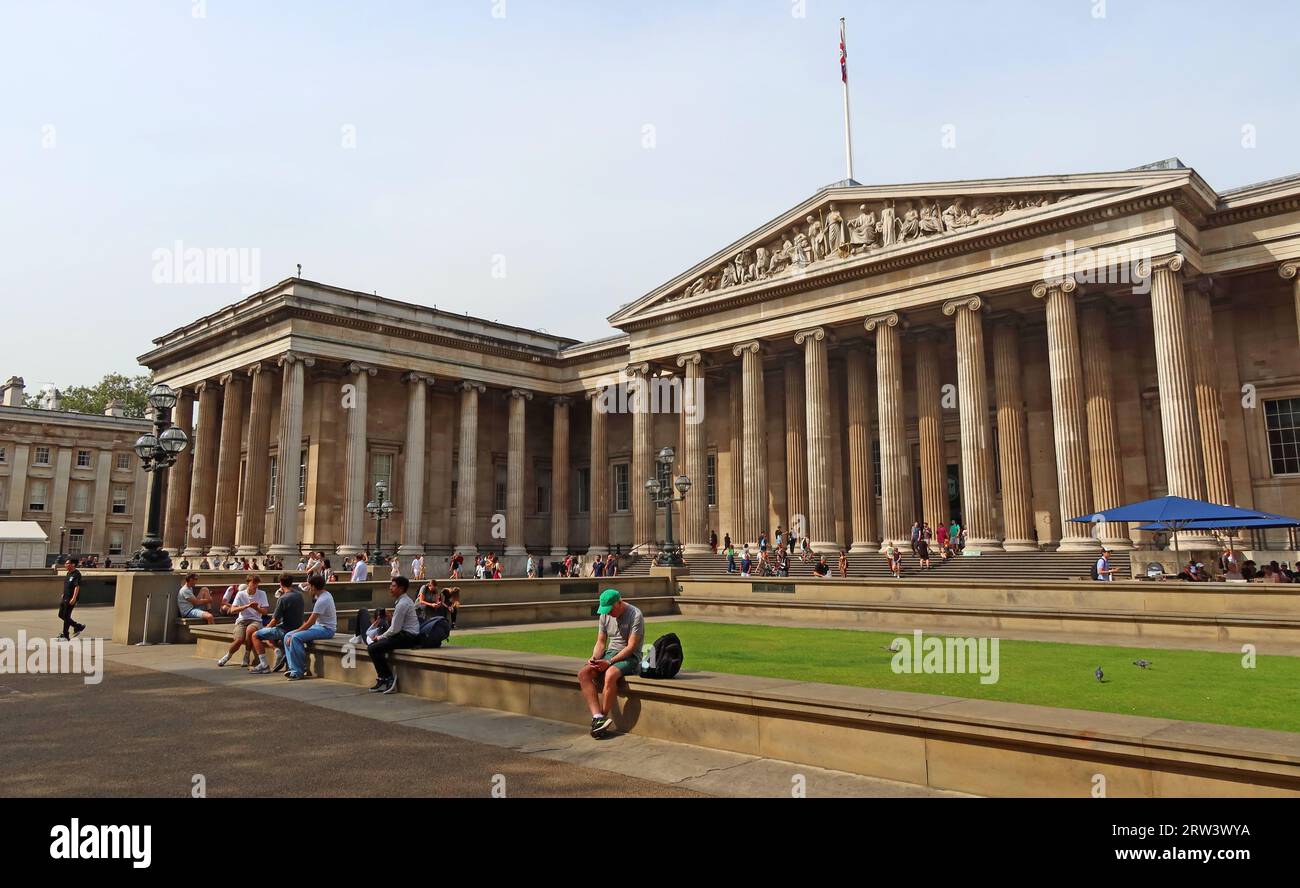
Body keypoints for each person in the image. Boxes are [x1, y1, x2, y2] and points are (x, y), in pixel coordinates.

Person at [577, 589, 644, 738]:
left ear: (619, 602)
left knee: (610, 674)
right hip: (610, 654)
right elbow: (601, 642)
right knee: (584, 673)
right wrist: (594, 658)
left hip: (631, 657)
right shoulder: (604, 614)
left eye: (611, 609)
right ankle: (598, 718)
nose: (608, 613)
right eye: (605, 610)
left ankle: (603, 718)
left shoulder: (635, 615)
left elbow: (631, 647)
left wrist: (609, 662)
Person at [367, 576, 420, 694]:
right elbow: (396, 627)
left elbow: (395, 629)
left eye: (393, 586)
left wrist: (379, 637)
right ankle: (383, 678)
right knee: (374, 647)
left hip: (407, 637)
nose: (390, 588)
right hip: (405, 635)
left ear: (401, 588)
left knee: (373, 647)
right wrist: (390, 618)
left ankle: (388, 679)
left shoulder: (402, 604)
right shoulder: (403, 601)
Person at [283, 574, 337, 681]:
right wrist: (307, 584)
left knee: (295, 637)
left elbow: (310, 622)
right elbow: (306, 586)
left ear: (313, 587)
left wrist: (295, 632)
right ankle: (293, 667)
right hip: (319, 627)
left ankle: (298, 671)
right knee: (287, 636)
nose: (309, 589)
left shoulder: (322, 600)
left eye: (310, 586)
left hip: (326, 630)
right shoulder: (324, 593)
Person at [250, 575, 305, 673]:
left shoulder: (283, 599)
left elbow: (275, 620)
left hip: (285, 630)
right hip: (297, 627)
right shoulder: (299, 595)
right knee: (276, 639)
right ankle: (282, 655)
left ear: (280, 583)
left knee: (255, 635)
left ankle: (264, 665)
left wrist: (265, 628)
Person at [217, 576, 269, 667]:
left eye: (257, 583)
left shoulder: (262, 593)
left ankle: (247, 655)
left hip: (256, 620)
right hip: (242, 620)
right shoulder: (241, 594)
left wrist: (257, 608)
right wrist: (246, 606)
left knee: (250, 630)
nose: (255, 585)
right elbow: (233, 610)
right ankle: (228, 655)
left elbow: (265, 611)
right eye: (253, 583)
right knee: (239, 639)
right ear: (248, 583)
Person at [57, 558, 86, 641]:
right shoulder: (68, 573)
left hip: (70, 598)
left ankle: (65, 635)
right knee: (61, 615)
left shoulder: (77, 574)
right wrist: (63, 593)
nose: (65, 565)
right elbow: (67, 585)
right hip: (65, 597)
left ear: (73, 564)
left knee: (66, 616)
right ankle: (78, 626)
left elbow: (77, 586)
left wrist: (74, 598)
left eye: (67, 563)